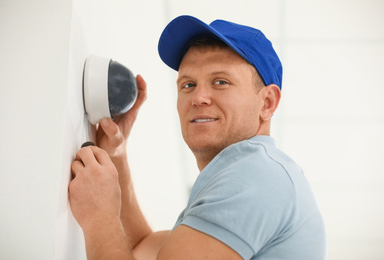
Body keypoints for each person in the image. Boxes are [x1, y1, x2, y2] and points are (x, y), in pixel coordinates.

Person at [69, 15, 326, 260]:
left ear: (267, 102)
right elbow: (139, 247)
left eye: (220, 82)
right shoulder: (246, 179)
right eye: (188, 85)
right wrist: (116, 153)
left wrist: (98, 217)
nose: (198, 97)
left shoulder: (255, 175)